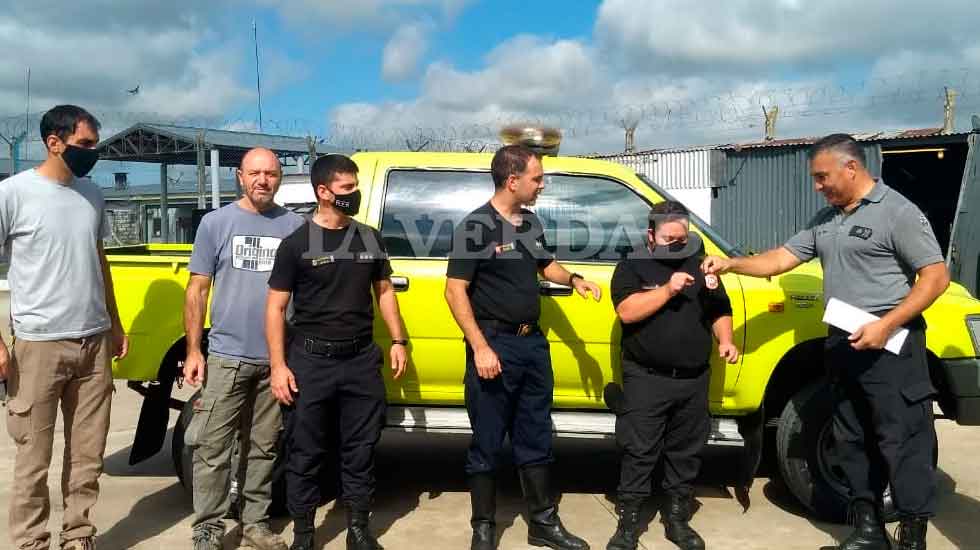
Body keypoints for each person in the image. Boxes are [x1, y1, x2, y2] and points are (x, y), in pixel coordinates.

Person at [702, 134, 949, 550]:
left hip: (891, 345)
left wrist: (887, 325)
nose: (818, 186)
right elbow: (781, 258)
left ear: (851, 167)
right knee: (851, 438)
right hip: (842, 342)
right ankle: (869, 530)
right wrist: (732, 263)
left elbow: (935, 276)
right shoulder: (826, 219)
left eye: (822, 177)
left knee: (902, 440)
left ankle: (911, 536)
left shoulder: (898, 212)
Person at [444, 144, 602, 550]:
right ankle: (483, 528)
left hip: (532, 345)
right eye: (537, 177)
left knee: (535, 435)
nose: (542, 184)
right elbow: (454, 291)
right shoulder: (475, 227)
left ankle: (542, 524)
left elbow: (544, 264)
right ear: (512, 180)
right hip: (493, 345)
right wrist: (479, 347)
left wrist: (574, 279)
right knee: (488, 440)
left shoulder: (529, 223)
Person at [1, 105, 128, 550]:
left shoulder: (92, 194)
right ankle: (31, 542)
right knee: (33, 459)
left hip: (93, 344)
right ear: (54, 142)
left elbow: (99, 259)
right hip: (39, 346)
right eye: (85, 144)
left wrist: (114, 321)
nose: (93, 153)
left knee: (87, 457)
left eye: (94, 144)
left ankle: (78, 535)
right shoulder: (12, 194)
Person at [266, 154, 408, 550]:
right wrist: (279, 367)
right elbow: (276, 308)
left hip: (360, 360)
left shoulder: (368, 237)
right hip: (311, 362)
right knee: (305, 451)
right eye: (347, 188)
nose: (355, 194)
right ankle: (304, 535)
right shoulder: (297, 244)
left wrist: (398, 340)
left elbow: (384, 292)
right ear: (323, 192)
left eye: (355, 186)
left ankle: (358, 531)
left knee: (360, 450)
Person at [184, 148, 304, 550]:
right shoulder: (215, 224)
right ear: (239, 176)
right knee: (212, 448)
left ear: (281, 178)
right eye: (255, 173)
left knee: (264, 448)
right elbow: (197, 289)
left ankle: (255, 523)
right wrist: (195, 350)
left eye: (271, 173)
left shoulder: (295, 227)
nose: (263, 181)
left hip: (275, 360)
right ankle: (208, 529)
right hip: (227, 357)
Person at [605, 201, 738, 550]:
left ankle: (677, 519)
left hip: (694, 378)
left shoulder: (700, 264)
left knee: (686, 452)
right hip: (647, 377)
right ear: (651, 235)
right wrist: (667, 290)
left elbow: (719, 308)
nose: (679, 245)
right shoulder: (632, 266)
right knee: (639, 451)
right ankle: (628, 524)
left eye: (683, 238)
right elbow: (627, 312)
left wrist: (726, 339)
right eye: (670, 239)